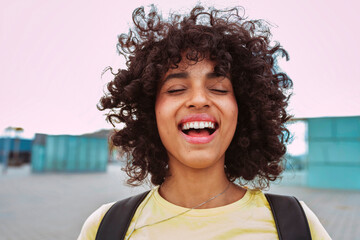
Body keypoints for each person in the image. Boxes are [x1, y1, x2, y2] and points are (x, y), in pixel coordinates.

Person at [78, 5, 331, 240]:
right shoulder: (106, 226)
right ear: (149, 111)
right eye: (176, 89)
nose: (199, 99)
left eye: (219, 89)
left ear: (243, 110)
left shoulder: (296, 224)